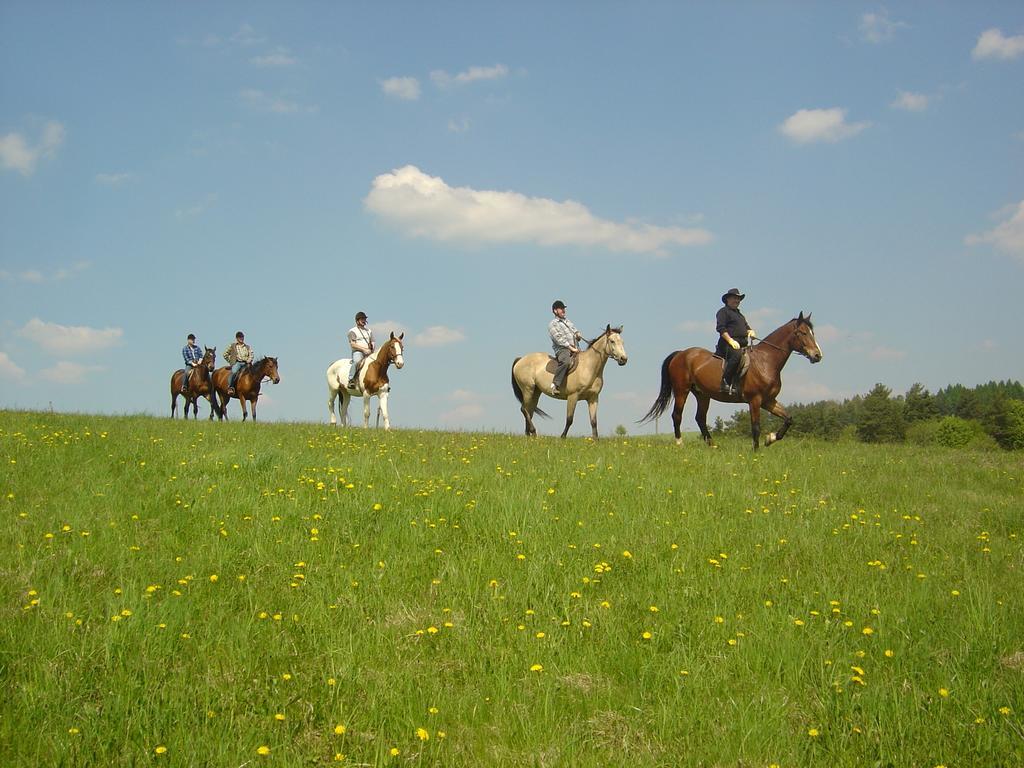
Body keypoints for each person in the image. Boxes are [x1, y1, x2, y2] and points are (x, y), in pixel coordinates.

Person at [715, 288, 756, 395]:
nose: (737, 301)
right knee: (736, 356)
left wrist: (750, 331)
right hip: (727, 344)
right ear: (728, 299)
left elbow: (746, 326)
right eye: (735, 298)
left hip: (742, 344)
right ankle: (725, 382)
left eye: (738, 299)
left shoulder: (739, 314)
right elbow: (721, 328)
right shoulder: (723, 312)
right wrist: (730, 340)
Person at [548, 300, 581, 396]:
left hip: (575, 348)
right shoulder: (553, 324)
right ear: (555, 311)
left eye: (564, 309)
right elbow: (559, 339)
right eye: (561, 309)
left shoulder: (568, 321)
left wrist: (578, 335)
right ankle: (555, 385)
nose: (563, 310)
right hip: (562, 350)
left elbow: (575, 331)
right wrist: (571, 348)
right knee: (565, 361)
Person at [347, 311, 375, 390]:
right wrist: (364, 349)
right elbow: (353, 344)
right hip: (358, 352)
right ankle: (351, 380)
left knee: (379, 362)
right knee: (357, 362)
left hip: (369, 352)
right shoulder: (352, 331)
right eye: (362, 319)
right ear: (357, 321)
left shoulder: (369, 331)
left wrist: (372, 349)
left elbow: (373, 341)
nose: (364, 320)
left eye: (364, 319)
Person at [225, 331, 253, 396]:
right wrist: (231, 361)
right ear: (237, 338)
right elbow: (225, 354)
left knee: (253, 373)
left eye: (242, 337)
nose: (241, 339)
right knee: (234, 372)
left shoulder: (247, 347)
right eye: (240, 337)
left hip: (246, 363)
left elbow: (251, 355)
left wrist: (249, 360)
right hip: (237, 363)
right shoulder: (233, 346)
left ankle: (253, 389)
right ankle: (230, 387)